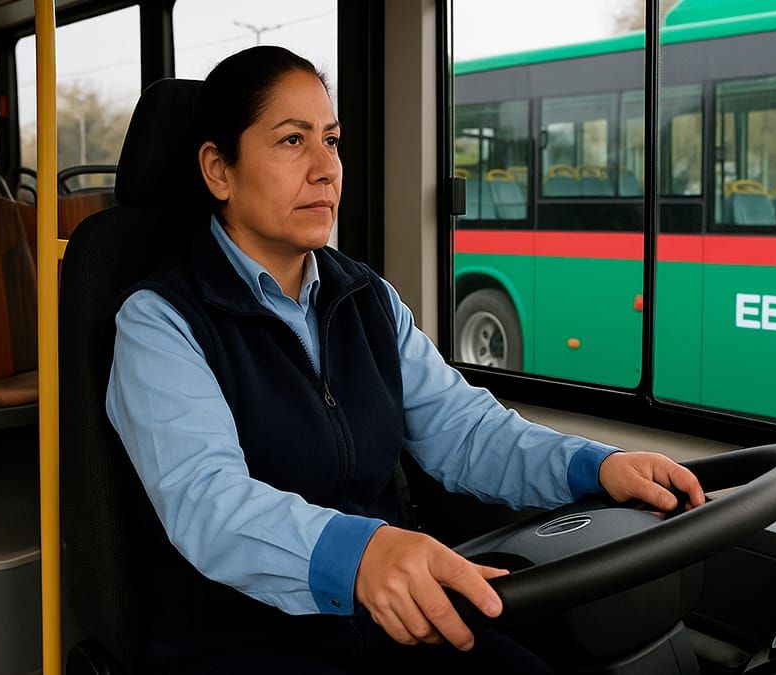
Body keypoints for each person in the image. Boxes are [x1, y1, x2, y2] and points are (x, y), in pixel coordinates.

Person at [107, 46, 706, 675]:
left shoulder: (366, 298)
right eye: (292, 140)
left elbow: (465, 432)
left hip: (391, 620)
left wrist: (595, 466)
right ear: (218, 170)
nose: (326, 170)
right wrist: (362, 555)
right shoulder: (160, 321)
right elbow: (209, 503)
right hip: (239, 642)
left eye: (332, 141)